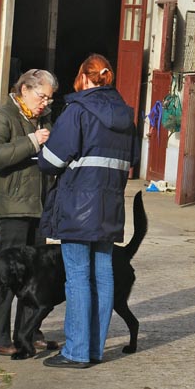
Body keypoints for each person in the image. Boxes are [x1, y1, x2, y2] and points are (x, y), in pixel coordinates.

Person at [39, 54, 139, 368]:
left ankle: (76, 352)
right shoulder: (126, 117)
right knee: (104, 276)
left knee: (78, 279)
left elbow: (51, 162)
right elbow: (132, 160)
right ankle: (94, 349)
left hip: (77, 207)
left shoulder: (77, 111)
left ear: (83, 77)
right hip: (110, 206)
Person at [0, 68, 59, 356]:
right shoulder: (4, 117)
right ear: (24, 89)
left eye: (49, 100)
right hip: (12, 207)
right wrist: (32, 142)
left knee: (36, 277)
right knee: (7, 275)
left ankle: (27, 334)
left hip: (39, 207)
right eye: (42, 97)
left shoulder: (42, 119)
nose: (45, 104)